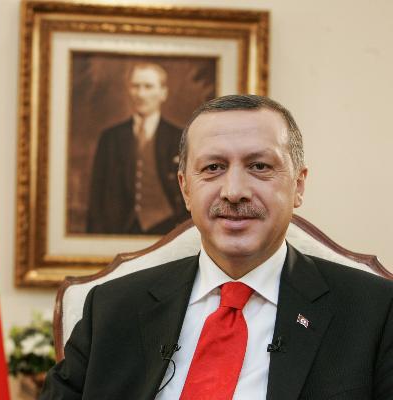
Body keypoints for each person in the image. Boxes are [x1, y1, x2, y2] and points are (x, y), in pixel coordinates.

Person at [41, 95, 393, 399]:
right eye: (213, 167)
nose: (234, 191)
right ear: (185, 188)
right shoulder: (113, 307)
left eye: (259, 166)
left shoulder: (373, 311)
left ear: (298, 185)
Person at [86, 62, 188, 235]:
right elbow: (97, 196)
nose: (141, 94)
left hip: (168, 229)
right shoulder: (110, 138)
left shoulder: (180, 138)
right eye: (135, 86)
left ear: (163, 93)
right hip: (118, 230)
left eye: (148, 87)